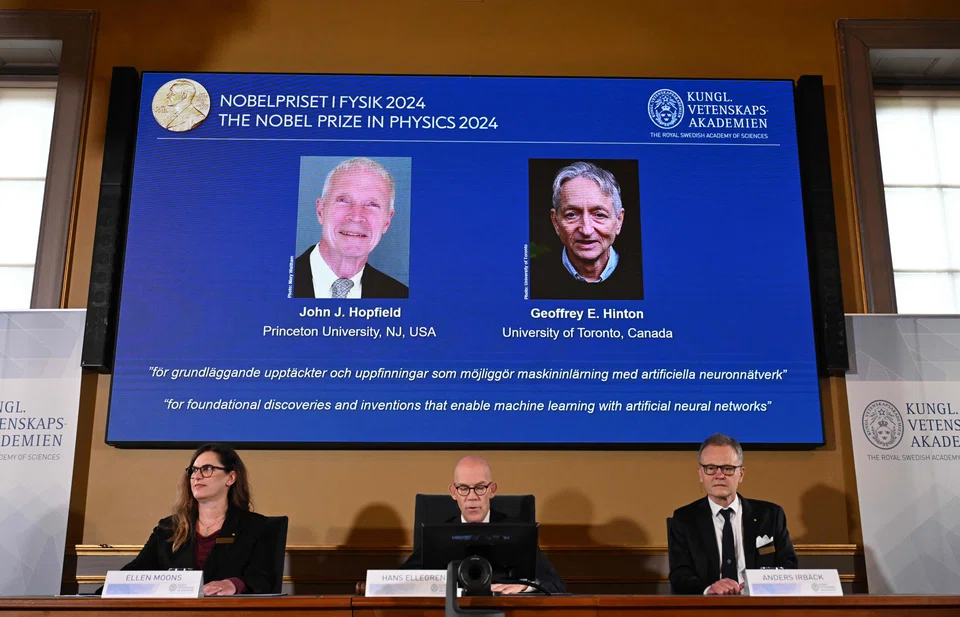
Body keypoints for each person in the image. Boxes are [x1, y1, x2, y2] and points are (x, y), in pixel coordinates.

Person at [115, 444, 279, 595]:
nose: (197, 476)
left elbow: (263, 578)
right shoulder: (168, 528)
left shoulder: (256, 527)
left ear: (230, 478)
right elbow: (136, 572)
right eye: (193, 470)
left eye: (207, 469)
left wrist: (234, 584)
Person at [402, 455, 566, 594]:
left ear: (492, 490)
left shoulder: (517, 533)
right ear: (453, 493)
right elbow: (402, 580)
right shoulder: (437, 536)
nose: (472, 496)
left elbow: (556, 584)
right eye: (464, 488)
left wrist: (526, 586)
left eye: (480, 488)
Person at [668, 433, 799, 595]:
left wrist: (758, 585)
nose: (719, 475)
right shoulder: (684, 519)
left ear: (741, 474)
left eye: (727, 468)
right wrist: (710, 589)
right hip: (708, 608)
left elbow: (789, 565)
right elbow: (680, 575)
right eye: (710, 468)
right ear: (700, 474)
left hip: (761, 605)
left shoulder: (770, 515)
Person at [294, 157, 409, 299]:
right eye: (343, 200)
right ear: (320, 210)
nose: (356, 216)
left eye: (372, 204)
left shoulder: (400, 295)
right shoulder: (274, 282)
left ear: (387, 221)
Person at [529, 161, 641, 300]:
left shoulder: (644, 276)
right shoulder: (531, 279)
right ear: (556, 221)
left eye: (599, 215)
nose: (586, 230)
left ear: (619, 220)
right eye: (571, 215)